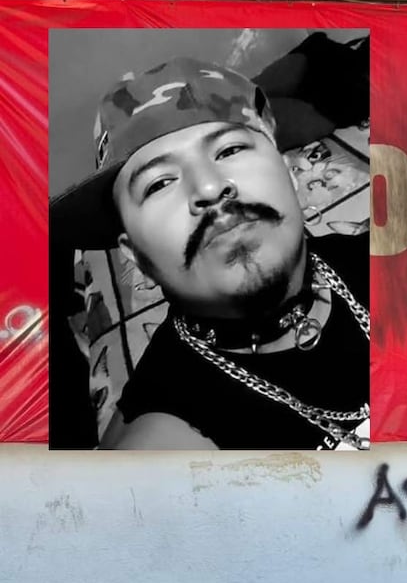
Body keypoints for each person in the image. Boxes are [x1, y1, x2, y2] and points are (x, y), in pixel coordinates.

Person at [49, 57, 369, 451]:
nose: (209, 187)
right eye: (159, 183)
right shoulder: (164, 444)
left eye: (230, 149)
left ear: (289, 176)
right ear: (137, 258)